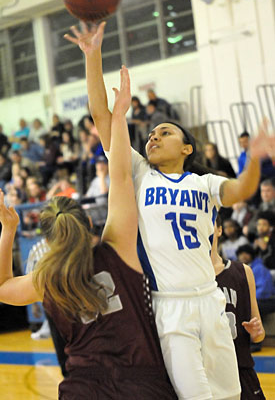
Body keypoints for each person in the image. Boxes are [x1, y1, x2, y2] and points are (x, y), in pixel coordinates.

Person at [65, 21, 275, 400]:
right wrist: (92, 56)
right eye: (151, 133)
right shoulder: (140, 174)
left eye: (165, 132)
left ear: (187, 148)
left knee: (230, 395)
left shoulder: (205, 183)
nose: (153, 136)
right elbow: (101, 117)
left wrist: (256, 159)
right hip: (169, 305)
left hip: (210, 301)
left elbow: (242, 189)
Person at [0, 67, 176, 400]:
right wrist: (119, 117)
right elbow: (121, 176)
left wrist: (8, 230)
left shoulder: (48, 278)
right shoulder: (117, 249)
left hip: (82, 388)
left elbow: (3, 288)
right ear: (90, 224)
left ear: (48, 240)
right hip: (142, 384)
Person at [211, 214, 266, 400]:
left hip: (240, 368)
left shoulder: (243, 272)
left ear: (219, 229)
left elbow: (259, 335)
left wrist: (256, 331)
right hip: (207, 373)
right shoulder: (187, 278)